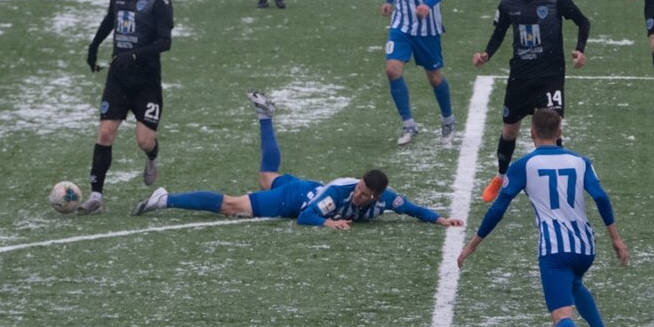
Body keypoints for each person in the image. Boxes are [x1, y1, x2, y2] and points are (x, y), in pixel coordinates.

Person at [457, 108, 629, 327]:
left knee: (561, 316)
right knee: (575, 286)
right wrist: (616, 238)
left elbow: (498, 208)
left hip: (555, 250)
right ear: (560, 133)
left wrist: (472, 245)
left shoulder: (523, 165)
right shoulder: (581, 161)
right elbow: (601, 197)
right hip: (585, 246)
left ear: (532, 133)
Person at [132, 90, 465, 230]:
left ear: (377, 197)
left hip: (306, 187)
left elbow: (411, 208)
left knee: (266, 174)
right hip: (294, 199)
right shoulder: (339, 195)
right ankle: (166, 199)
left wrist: (439, 220)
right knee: (231, 205)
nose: (358, 195)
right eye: (359, 188)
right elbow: (306, 217)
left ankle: (265, 117)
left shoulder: (386, 199)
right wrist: (328, 223)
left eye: (364, 193)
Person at [474, 0, 590, 203]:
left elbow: (583, 22)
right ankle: (501, 177)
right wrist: (486, 54)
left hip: (550, 76)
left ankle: (556, 183)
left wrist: (580, 50)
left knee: (552, 128)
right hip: (521, 78)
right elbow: (499, 32)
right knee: (509, 131)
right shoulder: (507, 3)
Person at [79, 0, 173, 214]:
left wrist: (132, 55)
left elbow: (164, 42)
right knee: (106, 133)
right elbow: (110, 20)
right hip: (118, 79)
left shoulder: (160, 2)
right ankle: (96, 196)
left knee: (144, 140)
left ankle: (152, 157)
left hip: (146, 83)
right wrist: (94, 46)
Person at [381, 0, 455, 145]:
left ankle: (448, 120)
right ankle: (408, 124)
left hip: (426, 27)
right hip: (401, 23)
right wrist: (388, 0)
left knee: (433, 76)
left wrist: (427, 4)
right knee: (392, 69)